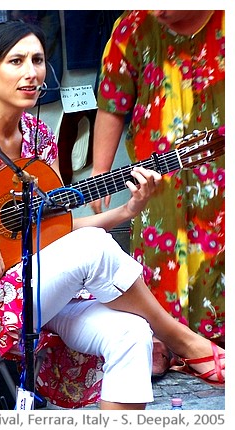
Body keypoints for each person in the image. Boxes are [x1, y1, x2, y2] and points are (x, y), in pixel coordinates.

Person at [0, 20, 225, 410]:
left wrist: (128, 209)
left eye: (38, 60)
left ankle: (162, 338)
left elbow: (58, 230)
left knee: (131, 333)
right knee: (93, 245)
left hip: (38, 284)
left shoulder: (39, 134)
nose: (31, 72)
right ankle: (181, 339)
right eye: (16, 61)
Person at [89, 10, 225, 375]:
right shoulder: (133, 26)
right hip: (157, 182)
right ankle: (161, 342)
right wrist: (100, 170)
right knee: (160, 259)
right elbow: (113, 103)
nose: (158, 10)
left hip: (223, 178)